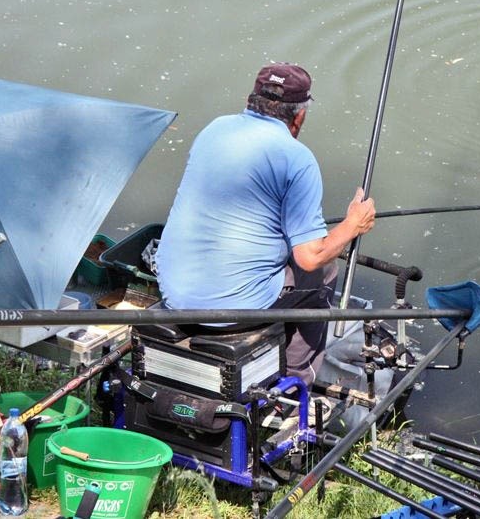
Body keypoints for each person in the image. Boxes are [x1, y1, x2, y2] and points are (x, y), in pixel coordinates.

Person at [155, 62, 376, 387]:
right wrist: (352, 225)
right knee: (322, 273)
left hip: (174, 291)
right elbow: (310, 256)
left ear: (251, 100)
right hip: (230, 311)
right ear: (299, 116)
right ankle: (296, 382)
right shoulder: (296, 158)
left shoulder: (214, 130)